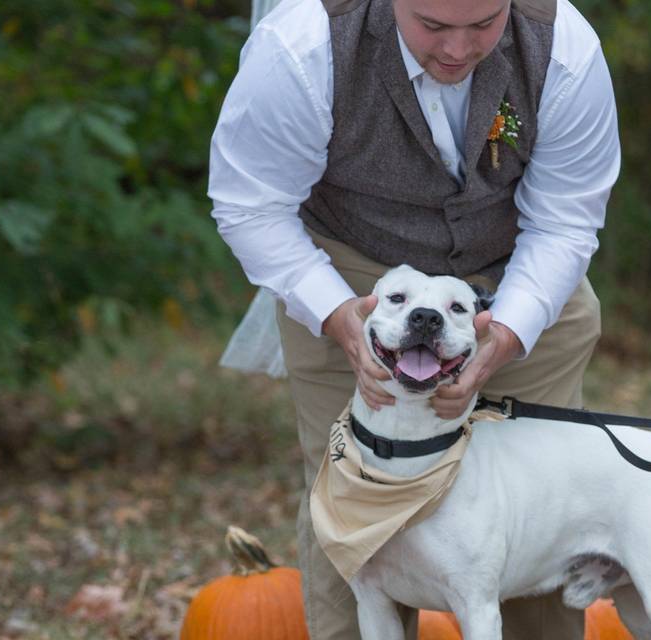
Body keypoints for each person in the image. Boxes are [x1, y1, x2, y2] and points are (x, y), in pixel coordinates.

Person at [209, 0, 621, 636]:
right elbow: (249, 204)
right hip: (353, 277)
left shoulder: (562, 45)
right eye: (433, 26)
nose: (457, 50)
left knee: (542, 499)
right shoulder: (303, 47)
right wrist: (336, 313)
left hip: (519, 271)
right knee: (353, 499)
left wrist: (507, 331)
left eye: (482, 26)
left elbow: (566, 218)